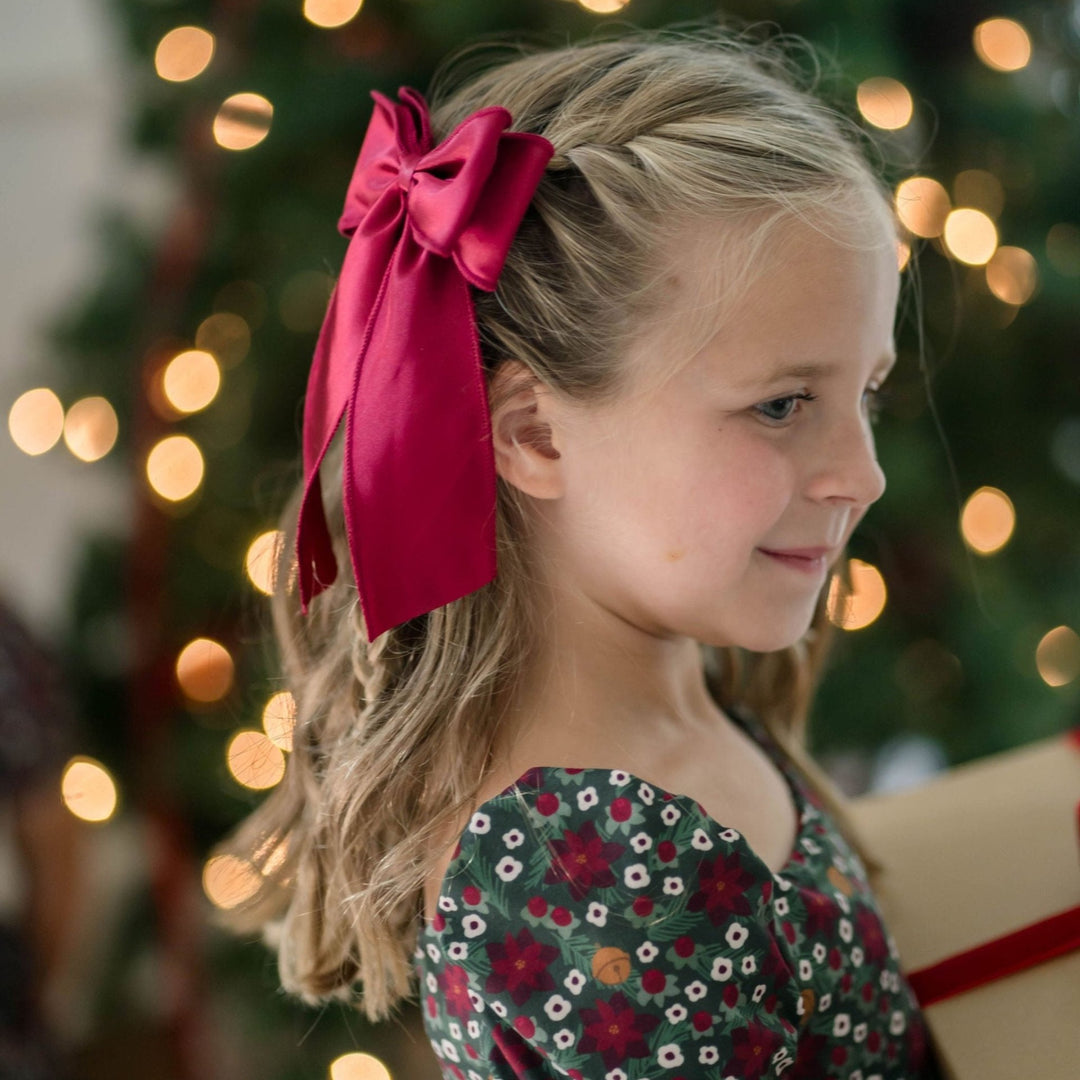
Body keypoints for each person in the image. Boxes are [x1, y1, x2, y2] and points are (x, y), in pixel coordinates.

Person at [213, 20, 946, 1079]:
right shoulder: (584, 880)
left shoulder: (675, 703)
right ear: (532, 435)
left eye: (863, 392)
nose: (863, 473)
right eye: (784, 404)